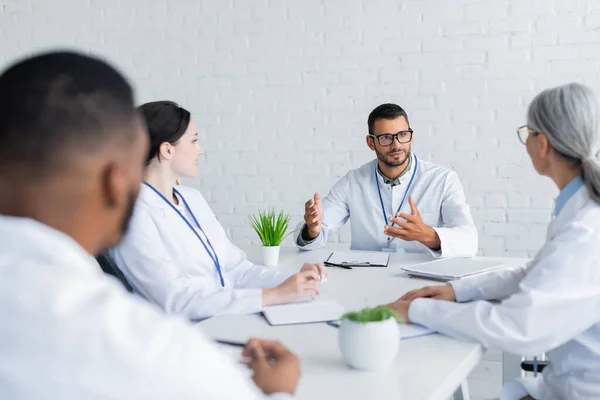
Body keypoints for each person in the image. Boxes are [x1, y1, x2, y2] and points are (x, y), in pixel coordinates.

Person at [0, 51, 300, 399]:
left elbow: (232, 266)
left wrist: (285, 286)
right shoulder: (146, 350)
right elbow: (174, 302)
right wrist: (279, 391)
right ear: (116, 183)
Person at [386, 83, 600, 400]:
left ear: (542, 143)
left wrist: (416, 311)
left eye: (527, 133)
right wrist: (457, 291)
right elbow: (534, 273)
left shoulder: (586, 229)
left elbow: (518, 327)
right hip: (567, 381)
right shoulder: (579, 209)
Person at [111, 101, 328, 320]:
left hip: (230, 316)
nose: (200, 149)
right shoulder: (132, 216)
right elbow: (174, 299)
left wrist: (294, 280)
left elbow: (236, 269)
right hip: (191, 332)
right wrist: (272, 296)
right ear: (167, 149)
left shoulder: (192, 199)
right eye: (194, 140)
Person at [296, 103, 478, 258]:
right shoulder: (353, 181)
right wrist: (312, 229)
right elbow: (315, 233)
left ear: (411, 136)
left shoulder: (442, 179)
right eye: (385, 138)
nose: (396, 145)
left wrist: (427, 235)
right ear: (371, 143)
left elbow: (469, 240)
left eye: (402, 135)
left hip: (422, 281)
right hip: (367, 277)